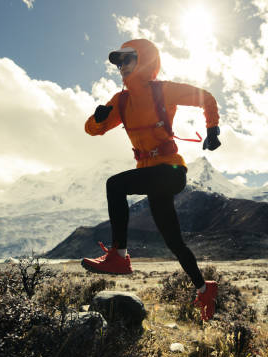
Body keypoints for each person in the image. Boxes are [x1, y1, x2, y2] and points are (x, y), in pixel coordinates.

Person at [81, 39, 222, 321]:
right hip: (153, 175)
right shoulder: (120, 101)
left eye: (127, 60)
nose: (121, 67)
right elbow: (92, 130)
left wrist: (212, 129)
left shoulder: (164, 90)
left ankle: (119, 256)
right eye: (118, 62)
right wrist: (97, 119)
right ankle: (204, 289)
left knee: (115, 184)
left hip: (170, 171)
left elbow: (205, 97)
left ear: (144, 59)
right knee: (174, 242)